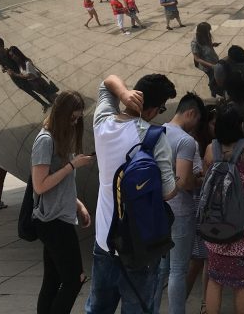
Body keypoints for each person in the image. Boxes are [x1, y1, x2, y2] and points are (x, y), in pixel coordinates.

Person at [86, 73, 175, 314]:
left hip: (105, 240)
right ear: (153, 109)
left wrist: (123, 93)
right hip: (141, 245)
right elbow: (168, 192)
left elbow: (107, 81)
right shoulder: (154, 137)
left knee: (98, 309)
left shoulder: (102, 123)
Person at [31, 91, 95, 314]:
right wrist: (72, 166)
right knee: (75, 279)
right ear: (62, 114)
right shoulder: (45, 141)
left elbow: (59, 184)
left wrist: (78, 204)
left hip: (60, 217)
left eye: (77, 118)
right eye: (73, 117)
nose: (75, 122)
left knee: (52, 280)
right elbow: (40, 185)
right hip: (53, 221)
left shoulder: (57, 139)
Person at [203, 104, 244, 314]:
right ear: (240, 125)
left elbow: (206, 187)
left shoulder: (211, 150)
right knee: (242, 282)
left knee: (214, 279)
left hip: (214, 228)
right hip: (243, 229)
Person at [154, 94, 206, 314]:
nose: (196, 125)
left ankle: (151, 309)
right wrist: (200, 180)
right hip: (180, 211)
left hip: (157, 208)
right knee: (177, 269)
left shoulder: (156, 132)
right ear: (191, 113)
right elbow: (184, 182)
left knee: (161, 268)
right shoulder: (186, 141)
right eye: (198, 120)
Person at [0, 37, 59, 109]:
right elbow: (1, 63)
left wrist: (16, 72)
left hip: (24, 76)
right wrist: (2, 67)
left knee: (40, 90)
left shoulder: (11, 53)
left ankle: (53, 102)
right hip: (17, 79)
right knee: (31, 93)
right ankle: (44, 104)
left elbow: (25, 63)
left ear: (2, 45)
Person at [192, 22, 223, 98]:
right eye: (207, 31)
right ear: (202, 32)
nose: (209, 32)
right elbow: (197, 58)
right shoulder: (195, 42)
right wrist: (212, 66)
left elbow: (207, 46)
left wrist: (213, 44)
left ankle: (213, 89)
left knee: (214, 76)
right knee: (212, 77)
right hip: (206, 65)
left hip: (213, 61)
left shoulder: (206, 36)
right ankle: (213, 90)